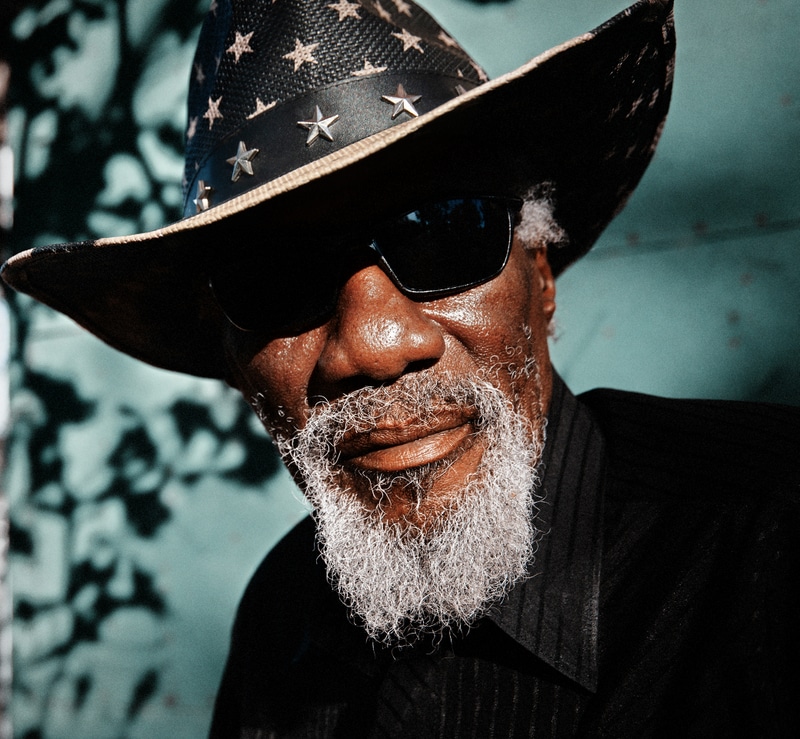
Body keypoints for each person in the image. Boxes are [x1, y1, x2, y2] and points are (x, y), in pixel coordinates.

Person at [3, 0, 799, 736]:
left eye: (442, 233)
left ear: (541, 277)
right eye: (276, 278)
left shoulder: (765, 531)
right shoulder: (285, 614)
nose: (376, 345)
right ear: (235, 362)